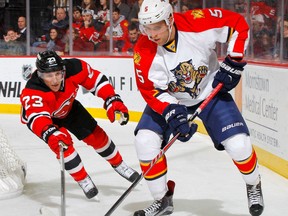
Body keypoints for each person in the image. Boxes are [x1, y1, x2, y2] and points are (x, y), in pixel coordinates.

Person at [132, 1, 264, 216]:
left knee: (239, 145)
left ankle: (253, 184)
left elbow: (237, 24)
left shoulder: (195, 22)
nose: (152, 34)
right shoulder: (143, 49)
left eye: (157, 27)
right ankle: (162, 199)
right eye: (147, 28)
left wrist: (234, 60)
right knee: (145, 141)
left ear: (169, 20)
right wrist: (172, 112)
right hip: (173, 99)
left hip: (209, 94)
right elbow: (150, 90)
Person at [20, 50, 139, 199]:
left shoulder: (74, 68)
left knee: (97, 135)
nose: (55, 80)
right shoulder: (33, 90)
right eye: (49, 75)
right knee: (64, 146)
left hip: (69, 107)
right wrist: (50, 133)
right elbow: (37, 118)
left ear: (63, 69)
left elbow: (97, 80)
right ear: (39, 74)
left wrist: (111, 98)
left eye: (58, 73)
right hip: (46, 120)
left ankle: (119, 164)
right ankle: (82, 179)